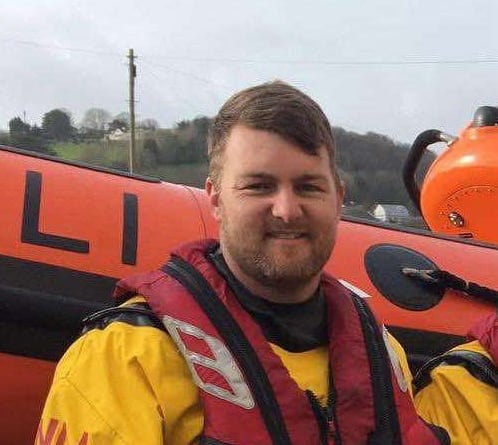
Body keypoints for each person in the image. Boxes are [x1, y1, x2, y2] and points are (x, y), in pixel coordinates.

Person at [36, 81, 449, 444]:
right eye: (259, 186)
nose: (287, 210)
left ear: (339, 198)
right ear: (215, 197)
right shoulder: (125, 359)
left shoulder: (381, 350)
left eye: (308, 187)